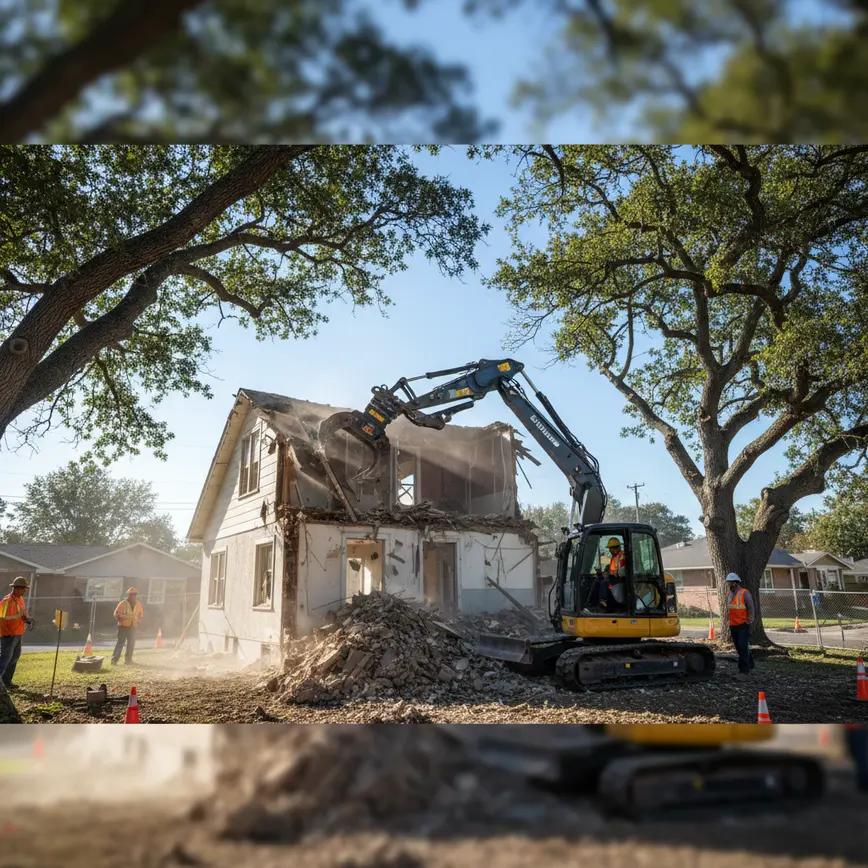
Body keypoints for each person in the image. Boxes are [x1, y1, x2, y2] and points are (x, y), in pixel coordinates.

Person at [0, 577, 33, 690]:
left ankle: (6, 681)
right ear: (17, 588)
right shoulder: (7, 601)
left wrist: (27, 619)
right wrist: (7, 633)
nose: (25, 591)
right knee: (5, 659)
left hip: (18, 633)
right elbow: (2, 618)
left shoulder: (20, 599)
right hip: (9, 635)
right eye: (24, 588)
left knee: (14, 658)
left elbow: (22, 613)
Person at [726, 572, 755, 681]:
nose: (728, 584)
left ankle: (744, 671)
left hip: (743, 624)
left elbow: (751, 606)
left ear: (735, 583)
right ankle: (750, 663)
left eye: (730, 582)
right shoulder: (729, 595)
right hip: (733, 625)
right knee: (739, 647)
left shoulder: (744, 593)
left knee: (743, 646)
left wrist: (750, 619)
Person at [112, 587, 144, 666]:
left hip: (132, 627)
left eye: (134, 594)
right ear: (128, 595)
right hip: (123, 626)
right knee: (120, 643)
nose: (133, 596)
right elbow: (116, 614)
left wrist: (139, 621)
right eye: (131, 594)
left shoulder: (138, 604)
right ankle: (114, 660)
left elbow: (140, 614)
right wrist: (122, 617)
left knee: (131, 643)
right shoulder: (123, 603)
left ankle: (128, 660)